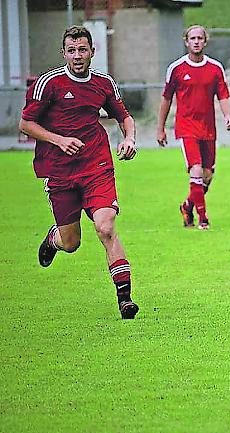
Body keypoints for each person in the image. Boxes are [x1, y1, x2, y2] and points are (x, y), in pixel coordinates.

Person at [19, 26, 139, 319]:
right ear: (64, 53)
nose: (77, 56)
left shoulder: (103, 83)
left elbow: (123, 116)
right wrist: (59, 140)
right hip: (59, 171)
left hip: (96, 164)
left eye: (82, 50)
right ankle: (54, 239)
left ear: (92, 52)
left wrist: (129, 138)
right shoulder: (48, 83)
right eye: (71, 51)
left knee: (106, 227)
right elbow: (25, 124)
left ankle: (125, 299)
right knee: (71, 243)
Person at [157, 24, 230, 230]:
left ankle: (187, 206)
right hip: (186, 128)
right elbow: (166, 99)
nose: (196, 41)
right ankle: (203, 218)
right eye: (193, 38)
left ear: (205, 41)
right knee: (197, 170)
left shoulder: (215, 68)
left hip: (208, 129)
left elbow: (223, 95)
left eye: (200, 38)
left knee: (207, 176)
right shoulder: (176, 69)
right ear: (186, 41)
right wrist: (160, 127)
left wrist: (227, 115)